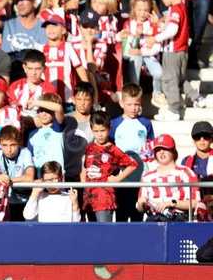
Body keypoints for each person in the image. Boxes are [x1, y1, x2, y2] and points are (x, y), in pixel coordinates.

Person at [80, 111, 137, 222]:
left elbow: (133, 165)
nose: (99, 134)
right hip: (89, 197)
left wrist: (117, 179)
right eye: (96, 131)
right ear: (91, 130)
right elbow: (84, 167)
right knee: (91, 231)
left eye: (103, 130)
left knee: (104, 232)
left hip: (104, 198)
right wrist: (83, 180)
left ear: (109, 129)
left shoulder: (113, 149)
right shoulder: (89, 148)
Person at [110, 83, 153, 222]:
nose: (133, 108)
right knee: (121, 213)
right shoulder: (114, 123)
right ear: (121, 103)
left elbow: (150, 148)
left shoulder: (146, 123)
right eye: (129, 104)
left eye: (137, 104)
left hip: (141, 175)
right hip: (121, 175)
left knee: (137, 213)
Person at [152, 0, 190, 122]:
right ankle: (193, 98)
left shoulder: (176, 9)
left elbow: (172, 30)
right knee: (176, 79)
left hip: (173, 52)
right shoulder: (180, 8)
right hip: (179, 51)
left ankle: (174, 110)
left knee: (170, 80)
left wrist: (156, 38)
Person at [137, 134, 199, 221]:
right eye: (158, 150)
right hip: (154, 220)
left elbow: (196, 202)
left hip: (178, 219)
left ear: (173, 151)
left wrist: (171, 203)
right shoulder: (147, 176)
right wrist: (141, 204)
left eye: (165, 149)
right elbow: (140, 207)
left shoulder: (186, 172)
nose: (161, 152)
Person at [0, 125, 34, 221]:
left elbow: (29, 177)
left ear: (19, 143)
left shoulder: (25, 152)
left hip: (24, 202)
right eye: (5, 145)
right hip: (5, 203)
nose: (9, 149)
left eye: (13, 145)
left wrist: (8, 179)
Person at [119, 0, 162, 105]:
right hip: (135, 57)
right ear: (133, 9)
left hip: (149, 55)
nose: (143, 13)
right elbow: (128, 50)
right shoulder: (128, 24)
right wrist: (137, 36)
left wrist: (156, 26)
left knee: (159, 73)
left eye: (146, 10)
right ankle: (134, 94)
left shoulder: (153, 24)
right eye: (139, 10)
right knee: (136, 59)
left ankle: (157, 94)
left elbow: (156, 46)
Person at [182, 121, 213, 210]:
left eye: (206, 136)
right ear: (193, 140)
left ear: (211, 139)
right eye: (197, 137)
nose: (202, 140)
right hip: (194, 207)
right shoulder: (186, 161)